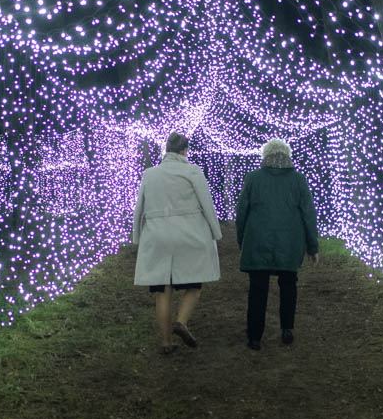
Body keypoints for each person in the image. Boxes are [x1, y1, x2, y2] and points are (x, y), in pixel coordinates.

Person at [132, 132, 222, 354]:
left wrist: (137, 237)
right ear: (184, 150)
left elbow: (139, 209)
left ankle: (166, 343)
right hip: (189, 234)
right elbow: (206, 205)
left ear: (167, 150)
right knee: (194, 283)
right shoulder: (193, 171)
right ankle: (181, 322)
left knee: (162, 291)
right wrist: (215, 232)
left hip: (157, 236)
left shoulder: (149, 174)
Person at [235, 138, 319, 350]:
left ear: (265, 155)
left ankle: (255, 337)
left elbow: (241, 212)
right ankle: (287, 329)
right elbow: (308, 214)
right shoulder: (298, 180)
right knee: (289, 285)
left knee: (257, 290)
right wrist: (312, 246)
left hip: (258, 241)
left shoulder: (253, 178)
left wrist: (242, 239)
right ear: (287, 155)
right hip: (289, 242)